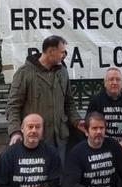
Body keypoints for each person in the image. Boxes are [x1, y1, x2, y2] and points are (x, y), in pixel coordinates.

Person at [6, 35, 84, 163]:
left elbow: (69, 103)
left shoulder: (63, 72)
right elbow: (13, 106)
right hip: (35, 140)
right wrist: (15, 131)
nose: (64, 55)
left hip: (59, 140)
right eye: (62, 51)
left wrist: (77, 121)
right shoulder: (24, 73)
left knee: (58, 179)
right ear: (51, 52)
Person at [86, 67, 122, 165]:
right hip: (100, 146)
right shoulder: (96, 101)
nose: (115, 82)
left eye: (118, 79)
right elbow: (87, 127)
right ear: (105, 83)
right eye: (111, 79)